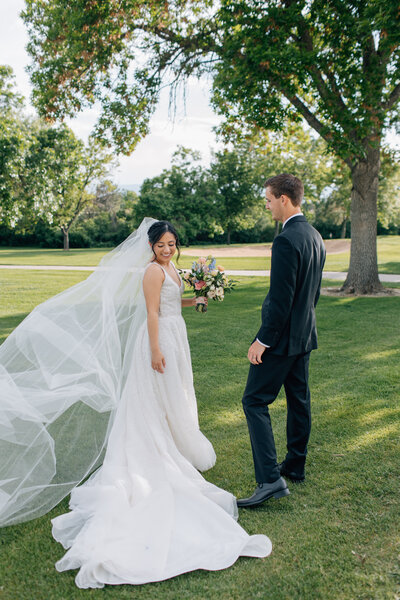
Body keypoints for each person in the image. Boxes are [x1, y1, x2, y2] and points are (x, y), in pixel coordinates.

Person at [0, 218, 271, 588]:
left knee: (176, 395)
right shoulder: (151, 272)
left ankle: (176, 441)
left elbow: (174, 303)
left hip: (177, 336)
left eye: (172, 244)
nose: (167, 249)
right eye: (161, 245)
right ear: (150, 246)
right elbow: (152, 312)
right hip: (159, 340)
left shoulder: (172, 268)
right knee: (157, 398)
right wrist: (155, 350)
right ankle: (157, 450)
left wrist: (201, 298)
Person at [237, 174, 326, 508]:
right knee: (298, 400)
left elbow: (281, 299)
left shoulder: (286, 240)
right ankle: (295, 466)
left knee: (254, 401)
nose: (267, 204)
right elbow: (312, 295)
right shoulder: (315, 236)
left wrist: (263, 340)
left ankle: (270, 480)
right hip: (304, 336)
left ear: (285, 199)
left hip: (282, 339)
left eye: (269, 199)